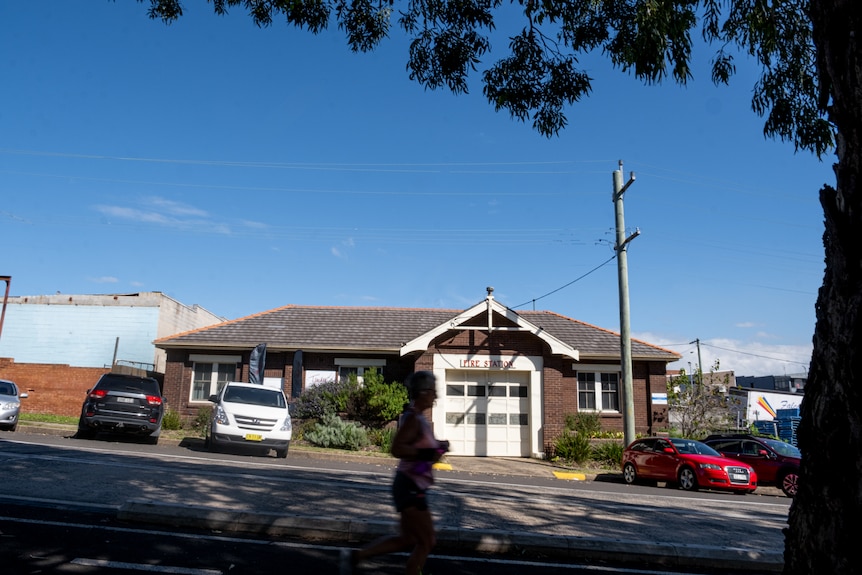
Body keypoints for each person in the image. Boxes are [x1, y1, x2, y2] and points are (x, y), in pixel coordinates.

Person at [340, 370, 449, 575]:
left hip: (411, 484)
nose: (437, 396)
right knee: (427, 541)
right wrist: (429, 452)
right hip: (409, 486)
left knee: (408, 539)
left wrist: (439, 448)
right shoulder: (414, 419)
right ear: (423, 392)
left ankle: (355, 557)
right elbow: (397, 449)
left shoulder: (420, 419)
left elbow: (425, 456)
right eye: (434, 391)